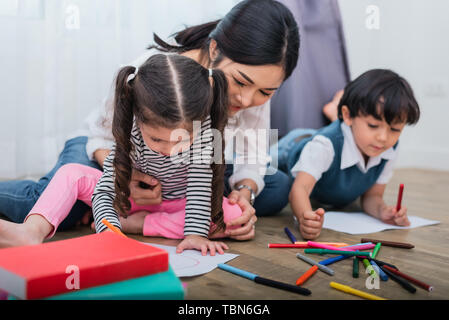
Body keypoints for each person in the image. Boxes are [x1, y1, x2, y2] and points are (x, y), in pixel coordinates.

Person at [0, 0, 300, 240]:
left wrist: (244, 193)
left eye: (266, 91)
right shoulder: (153, 73)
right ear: (213, 49)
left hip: (181, 168)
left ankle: (138, 218)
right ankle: (120, 213)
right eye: (241, 82)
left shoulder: (249, 95)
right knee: (50, 206)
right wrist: (126, 178)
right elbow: (105, 137)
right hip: (106, 147)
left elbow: (253, 156)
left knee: (274, 187)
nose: (246, 101)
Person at [0, 54, 243, 255]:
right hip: (131, 201)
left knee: (232, 215)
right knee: (72, 174)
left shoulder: (205, 133)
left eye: (181, 140)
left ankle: (138, 225)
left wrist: (194, 235)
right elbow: (107, 191)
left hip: (180, 206)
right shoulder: (132, 131)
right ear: (139, 119)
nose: (169, 151)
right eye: (157, 139)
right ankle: (31, 231)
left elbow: (201, 187)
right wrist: (110, 233)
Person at [274, 69, 420, 240]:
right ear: (348, 115)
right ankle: (332, 112)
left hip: (332, 142)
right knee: (259, 167)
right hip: (290, 147)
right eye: (373, 125)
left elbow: (372, 197)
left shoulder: (388, 148)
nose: (383, 138)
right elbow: (300, 189)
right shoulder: (324, 145)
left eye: (395, 129)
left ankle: (333, 112)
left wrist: (384, 211)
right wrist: (305, 217)